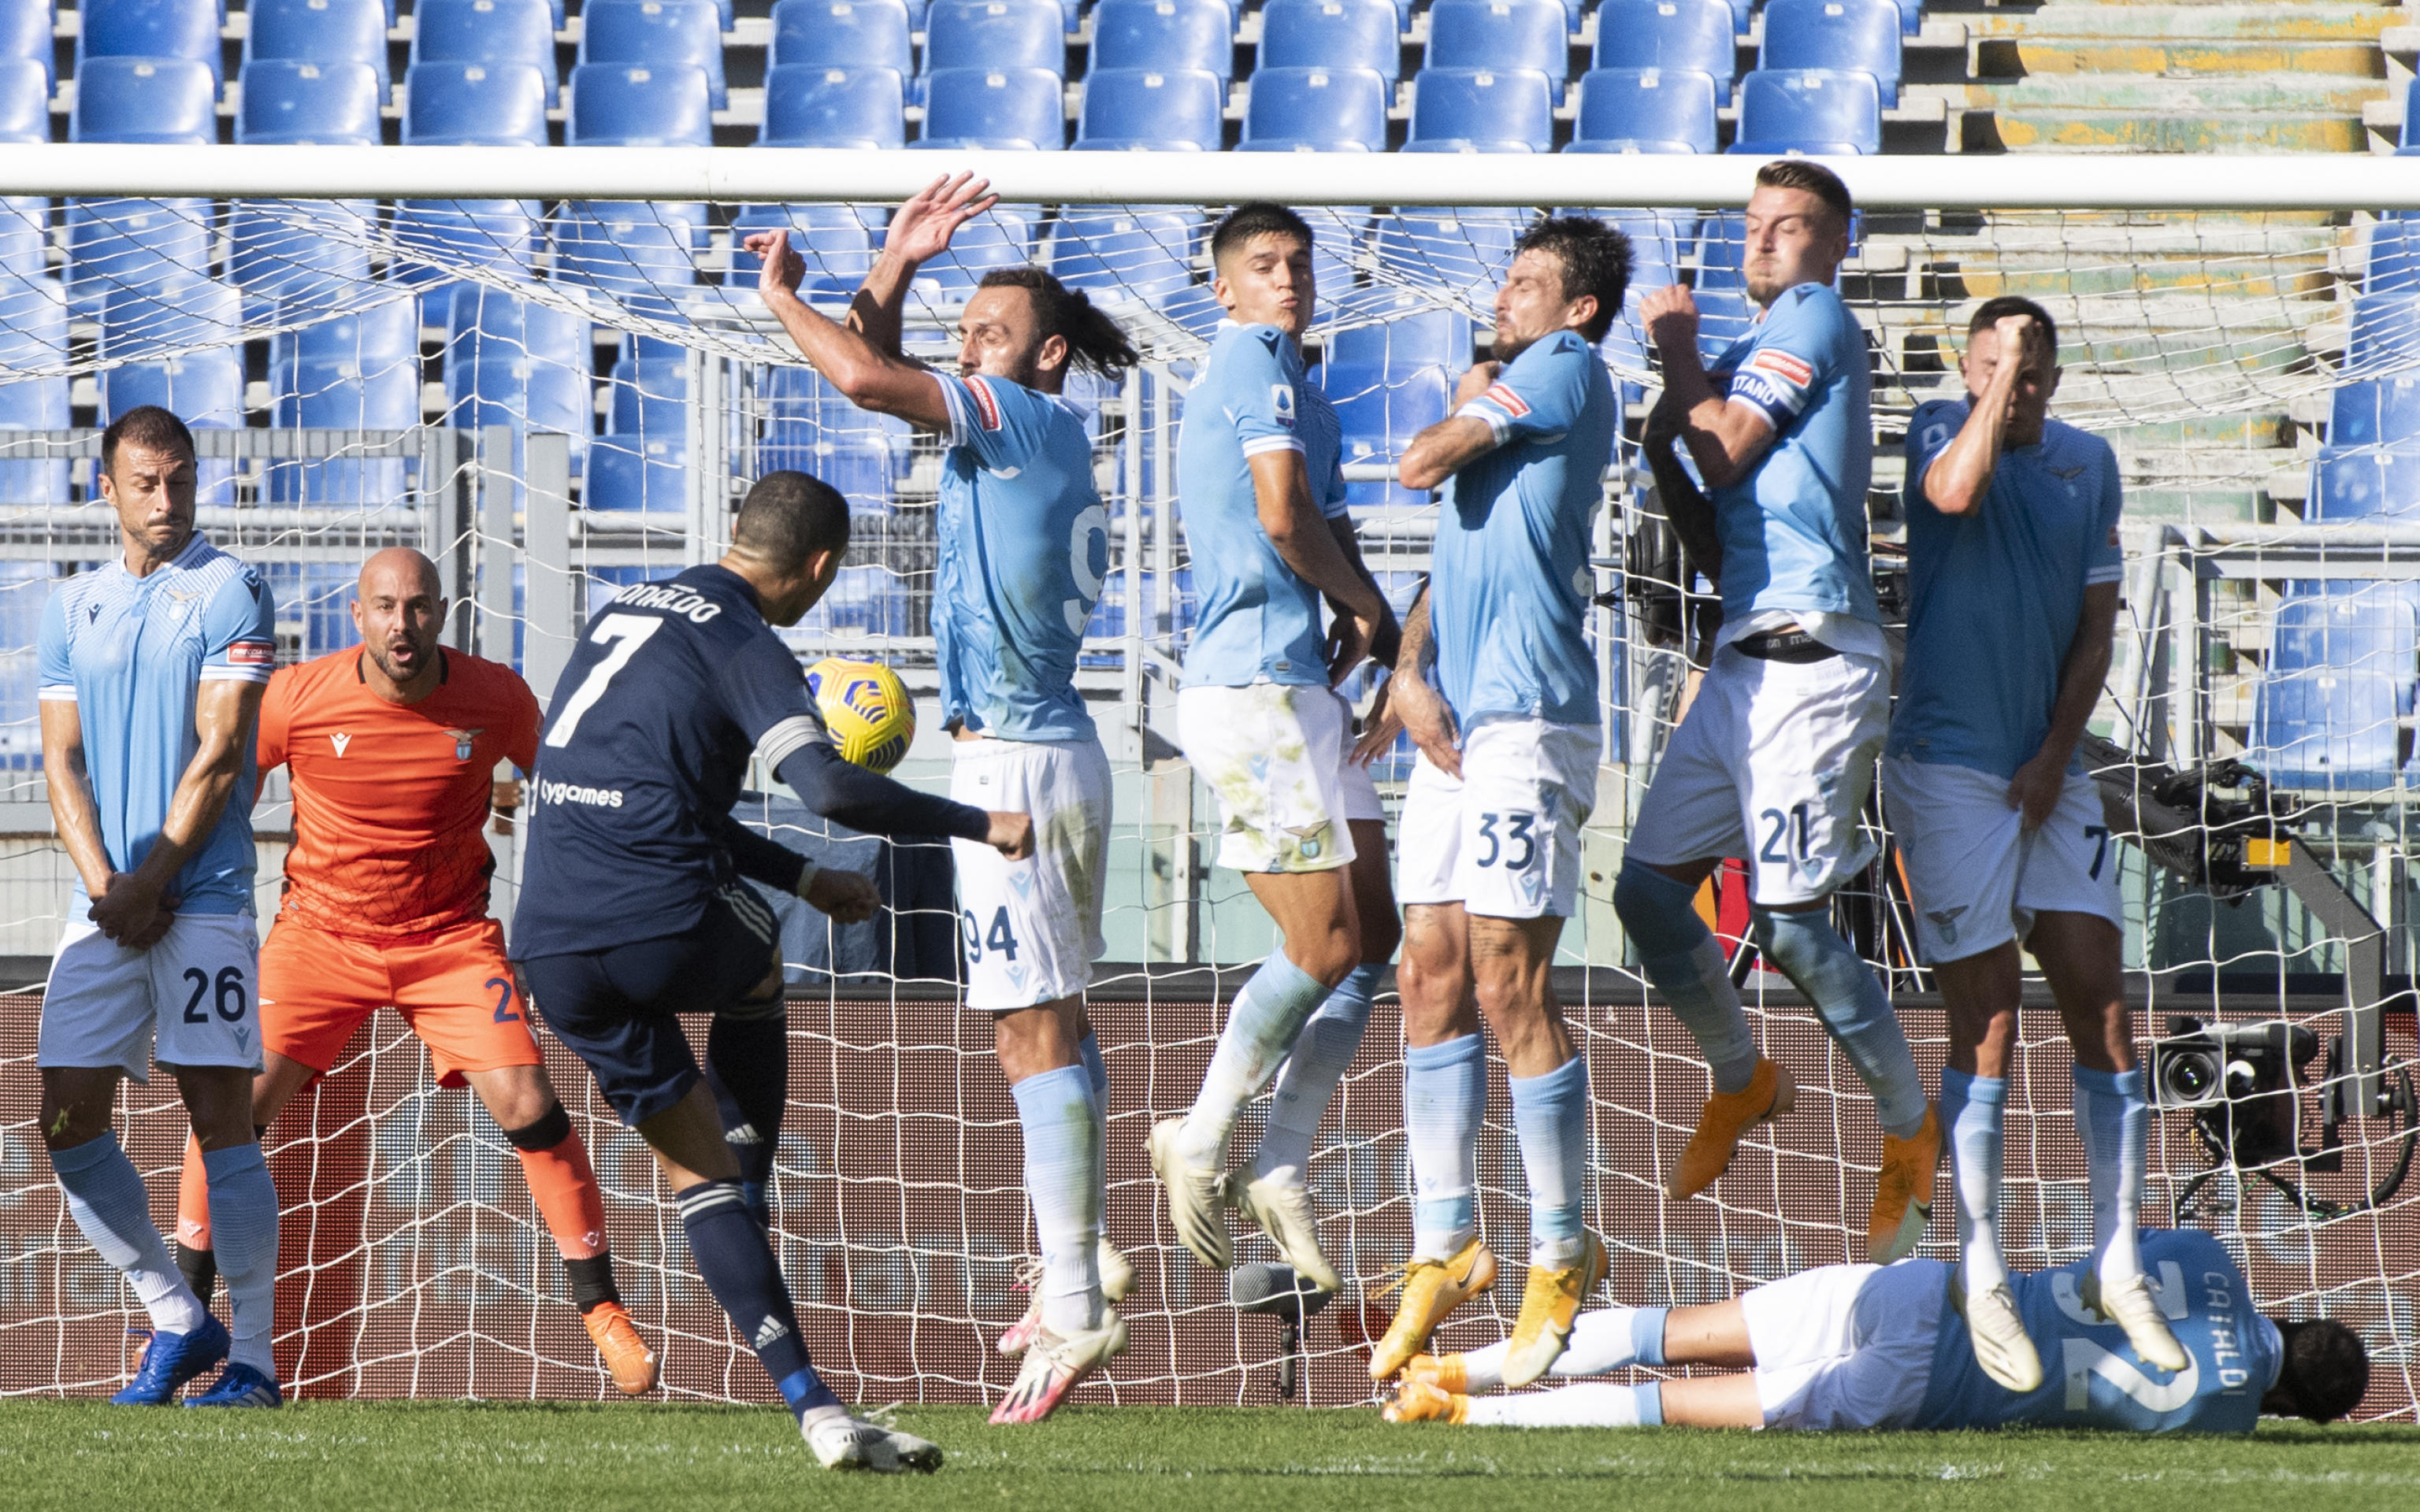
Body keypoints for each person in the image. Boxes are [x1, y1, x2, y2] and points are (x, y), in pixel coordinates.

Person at [510, 470, 1034, 1472]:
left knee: (689, 1171)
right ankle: (755, 1183)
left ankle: (817, 1408)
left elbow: (670, 802)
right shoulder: (746, 639)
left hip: (550, 944)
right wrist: (983, 824)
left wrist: (804, 874)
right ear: (821, 569)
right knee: (755, 970)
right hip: (655, 916)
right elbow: (830, 785)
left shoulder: (628, 606)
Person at [745, 172, 1142, 1422]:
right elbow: (881, 357)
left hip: (1015, 760)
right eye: (965, 334)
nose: (969, 350)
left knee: (1026, 1028)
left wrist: (773, 300)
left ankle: (1076, 1298)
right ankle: (1076, 1262)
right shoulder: (1024, 427)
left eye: (990, 333)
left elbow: (862, 380)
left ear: (1048, 355)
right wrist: (901, 261)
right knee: (1054, 1022)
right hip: (1049, 746)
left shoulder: (1020, 421)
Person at [168, 548, 658, 1396]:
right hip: (320, 935)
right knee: (229, 1107)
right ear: (355, 616)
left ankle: (602, 1310)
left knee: (529, 1103)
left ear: (443, 611)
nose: (404, 624)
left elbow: (569, 787)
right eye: (386, 607)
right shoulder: (297, 697)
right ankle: (181, 1327)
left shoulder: (497, 696)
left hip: (448, 939)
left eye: (420, 607)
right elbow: (223, 794)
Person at [1620, 160, 1939, 1263]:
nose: (1765, 243)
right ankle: (1744, 1075)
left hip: (1812, 654)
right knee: (1648, 892)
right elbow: (1700, 476)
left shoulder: (1810, 315)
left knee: (1795, 922)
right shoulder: (1758, 348)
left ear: (1834, 245)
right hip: (1744, 652)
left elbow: (1726, 446)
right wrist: (1672, 409)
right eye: (1754, 226)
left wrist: (1670, 352)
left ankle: (1911, 1130)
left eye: (1790, 227)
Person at [1884, 295, 2184, 1392]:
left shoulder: (2088, 463)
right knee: (1992, 1013)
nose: (2023, 378)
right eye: (2001, 360)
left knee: (2101, 1000)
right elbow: (1954, 492)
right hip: (1947, 762)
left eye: (2037, 362)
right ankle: (1982, 1263)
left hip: (2048, 767)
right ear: (1970, 368)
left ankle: (2119, 1260)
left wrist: (2061, 754)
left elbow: (2097, 628)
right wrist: (1992, 394)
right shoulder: (1932, 430)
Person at [1353, 217, 1630, 1384]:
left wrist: (1471, 389)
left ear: (1576, 310)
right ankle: (1445, 1241)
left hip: (1528, 726)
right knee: (1427, 968)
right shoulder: (1516, 402)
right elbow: (1448, 554)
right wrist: (1407, 671)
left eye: (1528, 284)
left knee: (1508, 978)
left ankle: (1564, 1248)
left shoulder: (1561, 371)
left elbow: (1417, 465)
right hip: (1462, 731)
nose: (1505, 298)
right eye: (1506, 280)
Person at [1149, 202, 1405, 1296]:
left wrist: (1350, 610)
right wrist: (1375, 614)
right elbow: (1285, 519)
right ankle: (1200, 1135)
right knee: (1322, 940)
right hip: (1249, 689)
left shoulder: (1307, 387)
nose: (1288, 279)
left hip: (1299, 685)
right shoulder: (1251, 358)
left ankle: (1282, 1160)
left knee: (1373, 931)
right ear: (1225, 289)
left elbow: (1325, 522)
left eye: (1300, 262)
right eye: (1265, 264)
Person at [35, 406, 284, 1406]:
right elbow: (61, 761)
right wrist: (106, 887)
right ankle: (176, 1316)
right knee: (62, 1113)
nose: (167, 499)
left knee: (220, 1116)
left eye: (180, 480)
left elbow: (220, 755)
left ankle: (259, 1359)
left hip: (206, 900)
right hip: (108, 904)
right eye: (146, 482)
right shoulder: (71, 607)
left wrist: (154, 880)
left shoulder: (233, 590)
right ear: (109, 489)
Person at [1383, 1227, 2370, 1434]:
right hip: (1928, 1395)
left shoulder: (2207, 1259)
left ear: (2307, 1315)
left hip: (1927, 1296)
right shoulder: (2223, 1425)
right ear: (2296, 1411)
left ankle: (1459, 1366)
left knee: (1677, 1328)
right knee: (1676, 1408)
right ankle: (1460, 1416)